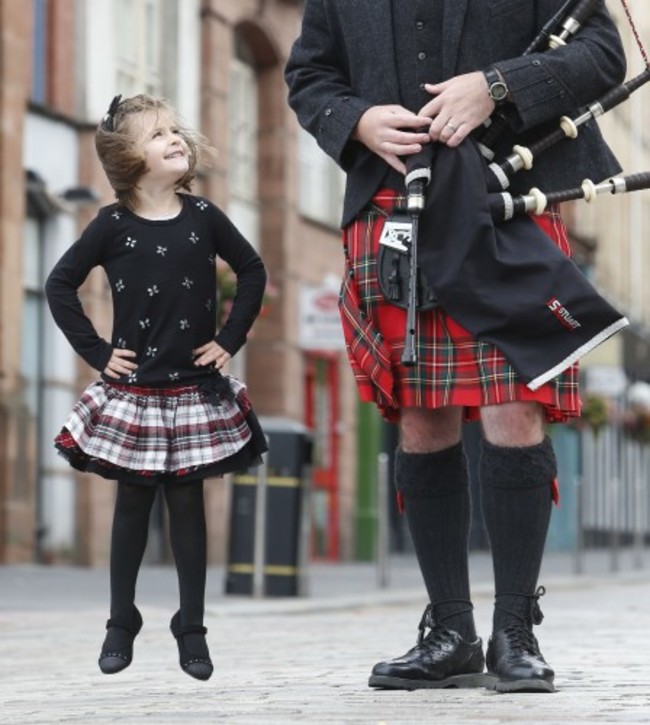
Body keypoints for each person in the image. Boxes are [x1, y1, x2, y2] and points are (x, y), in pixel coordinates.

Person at [285, 1, 626, 693]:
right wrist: (355, 120)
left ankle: (515, 630)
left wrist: (496, 86)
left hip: (510, 200)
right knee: (420, 416)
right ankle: (448, 629)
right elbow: (309, 73)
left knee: (514, 407)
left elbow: (601, 54)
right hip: (393, 203)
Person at [45, 94, 268, 681]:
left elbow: (252, 271)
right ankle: (122, 620)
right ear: (128, 158)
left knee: (188, 506)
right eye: (157, 134)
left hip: (195, 389)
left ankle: (190, 627)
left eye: (176, 130)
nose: (175, 138)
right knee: (132, 505)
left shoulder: (204, 216)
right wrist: (96, 352)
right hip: (136, 391)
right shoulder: (110, 225)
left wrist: (229, 338)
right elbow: (59, 284)